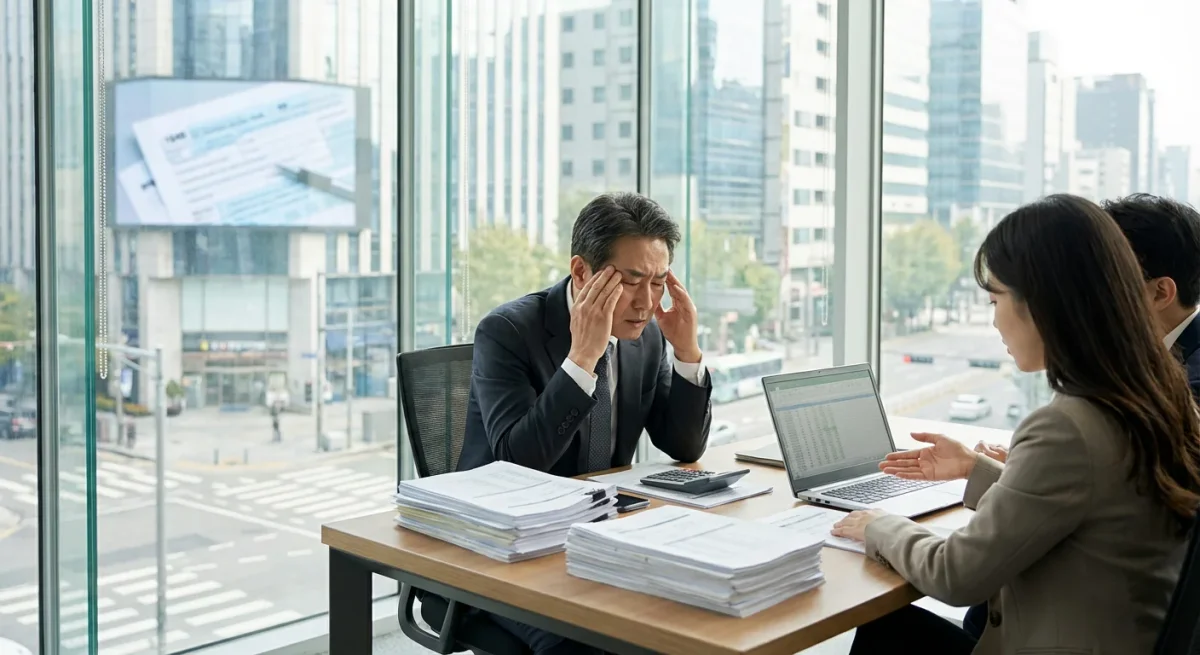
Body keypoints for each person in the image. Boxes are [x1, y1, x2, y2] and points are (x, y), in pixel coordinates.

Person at [831, 194, 1200, 654]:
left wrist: (877, 525)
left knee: (887, 633)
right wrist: (977, 470)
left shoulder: (1068, 426)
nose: (995, 322)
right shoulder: (1163, 395)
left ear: (1047, 303)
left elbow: (956, 575)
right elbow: (1090, 499)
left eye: (995, 299)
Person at [458, 191, 713, 654]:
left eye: (658, 282)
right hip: (509, 549)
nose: (646, 302)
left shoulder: (647, 335)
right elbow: (517, 463)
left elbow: (683, 444)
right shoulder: (509, 332)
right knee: (593, 643)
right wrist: (582, 359)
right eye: (632, 281)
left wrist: (687, 353)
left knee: (694, 618)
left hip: (600, 537)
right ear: (582, 272)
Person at [964, 192, 1200, 636]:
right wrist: (988, 471)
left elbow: (958, 574)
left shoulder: (1177, 387)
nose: (1098, 289)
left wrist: (876, 527)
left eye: (1113, 274)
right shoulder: (1153, 384)